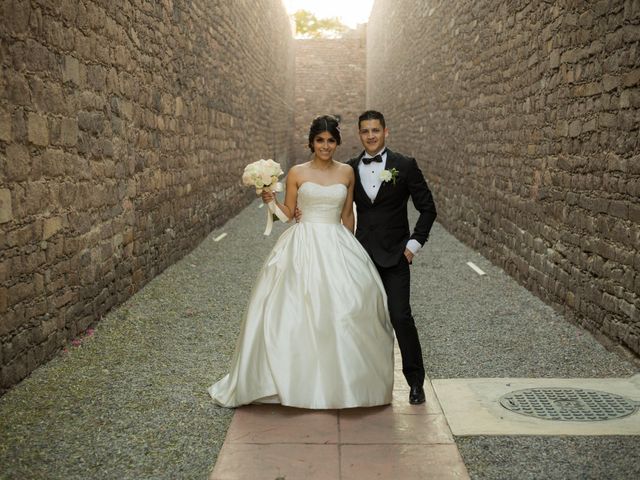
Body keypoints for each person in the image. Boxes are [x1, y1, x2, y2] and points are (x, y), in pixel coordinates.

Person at [208, 115, 394, 409]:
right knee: (296, 312)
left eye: (331, 140)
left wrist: (352, 252)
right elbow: (286, 214)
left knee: (348, 308)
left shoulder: (346, 172)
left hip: (338, 242)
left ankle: (347, 383)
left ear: (337, 143)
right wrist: (270, 199)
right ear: (311, 142)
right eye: (320, 140)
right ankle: (294, 381)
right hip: (303, 243)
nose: (325, 145)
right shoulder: (296, 172)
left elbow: (347, 215)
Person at [348, 110, 437, 405]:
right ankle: (362, 382)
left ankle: (415, 382)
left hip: (396, 255)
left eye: (375, 130)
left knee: (401, 316)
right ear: (359, 134)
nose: (370, 136)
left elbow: (428, 208)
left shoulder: (405, 165)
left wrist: (413, 245)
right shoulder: (349, 168)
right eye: (365, 131)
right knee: (360, 319)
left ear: (386, 132)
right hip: (360, 256)